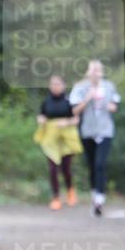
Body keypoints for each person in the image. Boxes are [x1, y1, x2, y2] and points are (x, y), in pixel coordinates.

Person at [69, 60, 121, 216]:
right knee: (92, 165)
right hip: (88, 131)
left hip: (105, 131)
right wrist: (88, 98)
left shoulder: (109, 87)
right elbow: (75, 111)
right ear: (88, 72)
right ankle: (94, 194)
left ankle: (100, 199)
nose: (96, 73)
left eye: (99, 70)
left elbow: (115, 106)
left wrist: (109, 105)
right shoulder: (80, 88)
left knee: (100, 164)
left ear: (102, 72)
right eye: (93, 70)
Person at [34, 74, 82, 210]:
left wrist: (66, 122)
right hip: (51, 138)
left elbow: (76, 119)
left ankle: (70, 191)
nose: (55, 87)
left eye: (57, 84)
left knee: (66, 168)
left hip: (67, 138)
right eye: (52, 84)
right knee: (53, 169)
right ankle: (55, 197)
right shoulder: (46, 102)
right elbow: (41, 115)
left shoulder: (69, 101)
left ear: (63, 85)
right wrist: (41, 119)